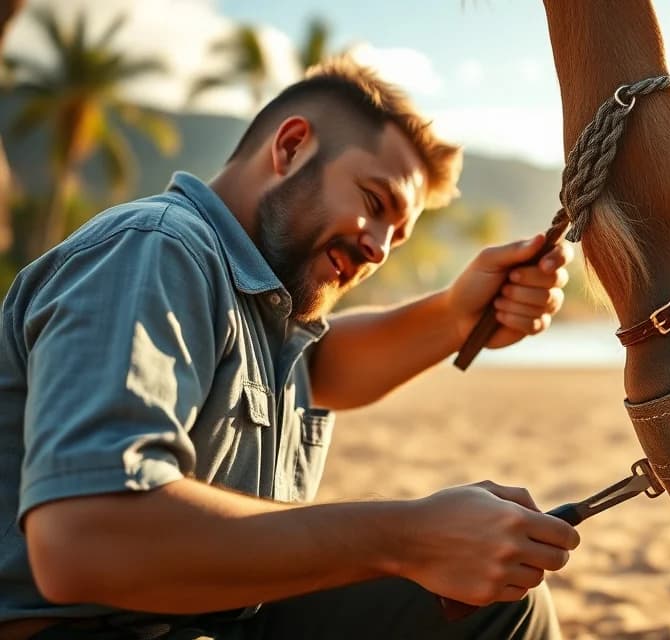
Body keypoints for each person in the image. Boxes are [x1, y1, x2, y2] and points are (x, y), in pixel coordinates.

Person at [0, 57, 580, 639]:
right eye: (376, 204)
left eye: (397, 239)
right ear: (292, 147)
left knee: (501, 605)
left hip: (214, 619)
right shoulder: (156, 249)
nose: (379, 250)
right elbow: (83, 541)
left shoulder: (259, 304)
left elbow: (324, 367)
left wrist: (458, 314)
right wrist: (409, 537)